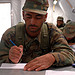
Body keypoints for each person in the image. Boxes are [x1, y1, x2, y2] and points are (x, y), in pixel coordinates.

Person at [0, 0, 75, 71]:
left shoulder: (52, 32)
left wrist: (52, 58)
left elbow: (70, 54)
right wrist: (10, 59)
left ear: (45, 17)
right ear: (23, 15)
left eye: (38, 17)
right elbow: (1, 60)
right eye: (29, 16)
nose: (32, 22)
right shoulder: (11, 35)